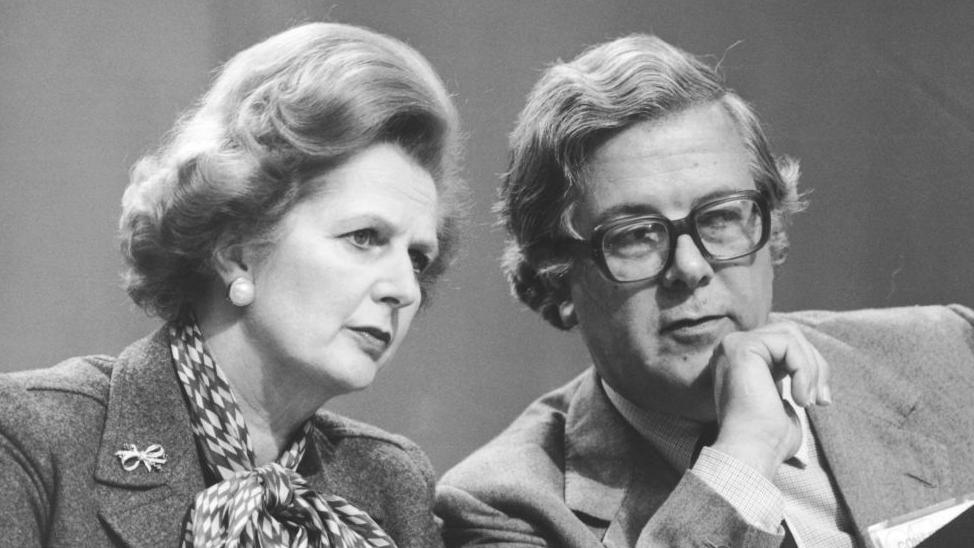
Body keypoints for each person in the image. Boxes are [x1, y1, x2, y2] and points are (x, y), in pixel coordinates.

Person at [435, 34, 974, 547]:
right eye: (635, 236)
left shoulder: (952, 353)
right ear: (557, 280)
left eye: (719, 218)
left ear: (773, 232)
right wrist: (743, 460)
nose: (689, 268)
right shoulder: (504, 508)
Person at [0, 22, 461, 547]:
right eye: (364, 237)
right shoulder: (35, 438)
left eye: (418, 258)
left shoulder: (392, 485)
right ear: (236, 250)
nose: (405, 288)